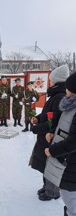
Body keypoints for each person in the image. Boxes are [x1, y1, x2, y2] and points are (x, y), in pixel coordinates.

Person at [29, 64, 69, 201]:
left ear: (57, 81)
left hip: (50, 138)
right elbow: (48, 115)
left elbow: (53, 122)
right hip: (45, 138)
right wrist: (38, 118)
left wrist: (36, 128)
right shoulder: (55, 95)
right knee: (44, 164)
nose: (49, 81)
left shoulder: (59, 96)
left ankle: (52, 192)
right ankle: (47, 187)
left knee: (51, 165)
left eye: (51, 79)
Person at [44, 72, 76, 216]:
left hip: (71, 160)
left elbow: (73, 141)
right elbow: (64, 127)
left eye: (69, 88)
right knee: (66, 190)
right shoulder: (71, 103)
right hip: (67, 159)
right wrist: (52, 132)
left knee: (70, 192)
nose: (66, 90)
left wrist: (52, 150)